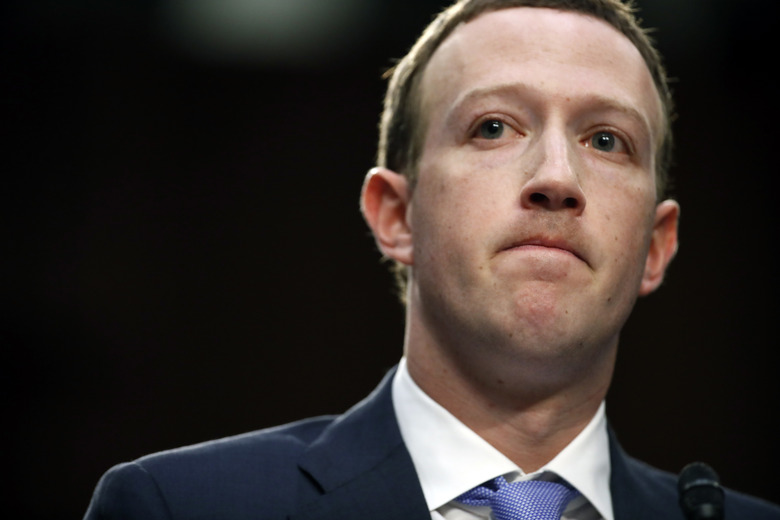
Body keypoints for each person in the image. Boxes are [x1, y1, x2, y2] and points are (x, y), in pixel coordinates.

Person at [83, 1, 780, 519]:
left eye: (606, 140)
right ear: (396, 216)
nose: (557, 178)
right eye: (494, 127)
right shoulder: (184, 507)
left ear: (656, 248)